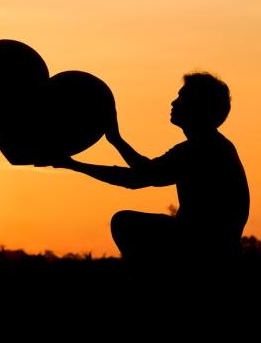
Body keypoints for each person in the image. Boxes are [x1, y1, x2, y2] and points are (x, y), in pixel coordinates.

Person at [43, 72, 249, 307]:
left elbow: (139, 177)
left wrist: (98, 150)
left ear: (198, 107)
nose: (173, 102)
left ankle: (149, 289)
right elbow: (143, 174)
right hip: (214, 250)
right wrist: (85, 157)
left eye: (182, 97)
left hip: (203, 252)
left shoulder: (201, 149)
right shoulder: (212, 146)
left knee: (125, 223)